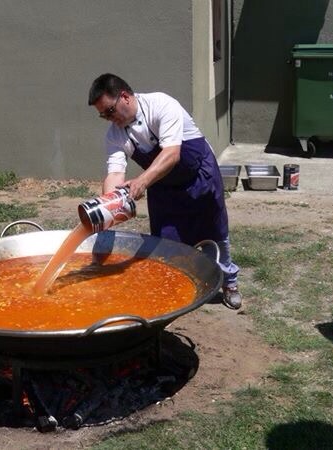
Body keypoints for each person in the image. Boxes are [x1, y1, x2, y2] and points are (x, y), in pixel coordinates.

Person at [88, 73, 241, 309]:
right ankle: (174, 292)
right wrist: (108, 206)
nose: (109, 119)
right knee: (167, 243)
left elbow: (171, 153)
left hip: (199, 176)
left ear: (125, 97)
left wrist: (142, 181)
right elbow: (115, 173)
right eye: (103, 116)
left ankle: (229, 283)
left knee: (215, 233)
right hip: (162, 184)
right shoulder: (115, 134)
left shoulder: (161, 105)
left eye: (110, 111)